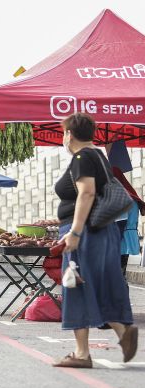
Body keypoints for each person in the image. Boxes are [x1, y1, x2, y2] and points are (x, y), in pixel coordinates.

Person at [53, 113, 137, 368]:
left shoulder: (82, 158)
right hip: (101, 230)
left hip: (86, 232)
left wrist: (75, 232)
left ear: (69, 134)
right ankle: (122, 331)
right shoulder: (98, 156)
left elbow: (87, 192)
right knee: (96, 283)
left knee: (76, 284)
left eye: (64, 133)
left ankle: (82, 353)